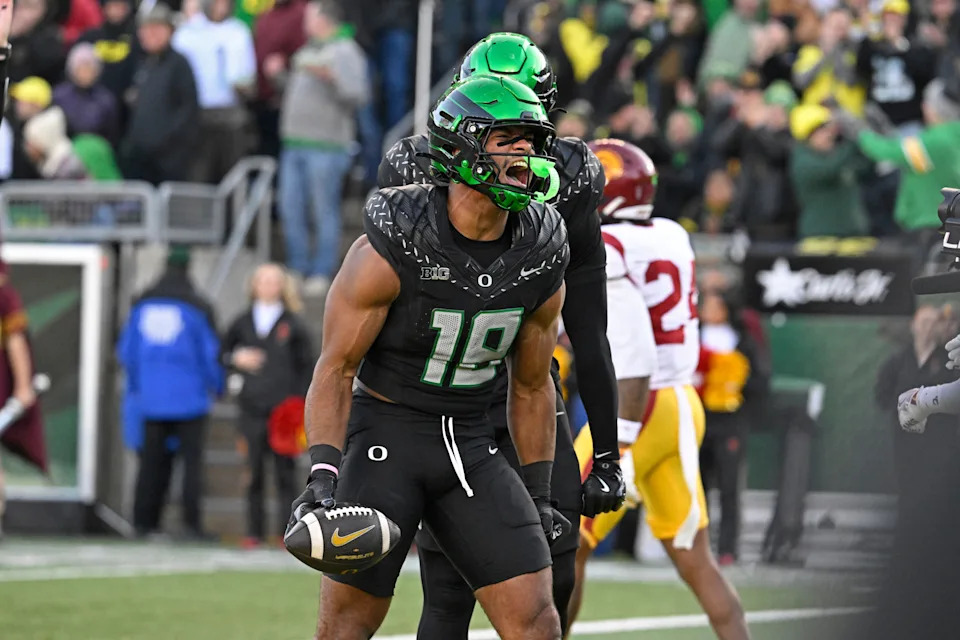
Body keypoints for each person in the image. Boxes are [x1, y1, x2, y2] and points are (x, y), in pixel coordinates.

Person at [291, 74, 572, 640]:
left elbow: (533, 386)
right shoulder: (394, 241)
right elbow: (337, 368)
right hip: (386, 439)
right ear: (462, 146)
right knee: (346, 626)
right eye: (507, 139)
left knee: (538, 621)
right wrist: (323, 472)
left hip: (472, 442)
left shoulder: (541, 245)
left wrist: (539, 494)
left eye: (529, 140)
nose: (525, 153)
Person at [376, 32, 626, 638]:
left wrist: (610, 450)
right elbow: (376, 310)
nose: (517, 145)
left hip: (531, 387)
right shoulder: (414, 173)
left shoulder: (570, 182)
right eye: (498, 128)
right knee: (446, 593)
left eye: (527, 126)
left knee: (556, 575)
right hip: (445, 395)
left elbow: (589, 327)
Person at [569, 139, 750, 640]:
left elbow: (635, 351)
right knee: (696, 559)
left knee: (564, 539)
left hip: (638, 404)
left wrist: (620, 443)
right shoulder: (671, 233)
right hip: (681, 402)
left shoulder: (609, 246)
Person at [117, 247, 223, 539]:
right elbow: (209, 354)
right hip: (190, 399)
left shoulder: (141, 306)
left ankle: (143, 522)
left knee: (150, 464)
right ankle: (191, 524)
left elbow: (126, 353)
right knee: (191, 466)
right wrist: (218, 386)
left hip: (150, 400)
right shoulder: (197, 308)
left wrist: (140, 388)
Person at [278, 0, 369, 297]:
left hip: (327, 146)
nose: (305, 21)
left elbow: (359, 94)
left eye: (309, 17)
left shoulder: (346, 50)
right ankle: (297, 266)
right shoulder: (309, 49)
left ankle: (321, 270)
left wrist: (331, 77)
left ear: (323, 20)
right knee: (290, 207)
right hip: (294, 143)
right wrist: (277, 76)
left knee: (322, 209)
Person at [222, 263, 313, 549]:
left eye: (274, 281)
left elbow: (306, 366)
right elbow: (222, 353)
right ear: (254, 285)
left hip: (283, 411)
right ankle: (254, 531)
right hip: (251, 408)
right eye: (263, 281)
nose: (268, 286)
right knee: (253, 472)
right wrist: (236, 359)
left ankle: (287, 531)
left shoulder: (294, 324)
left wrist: (298, 405)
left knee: (285, 473)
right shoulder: (241, 321)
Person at [120, 4, 199, 184]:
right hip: (140, 158)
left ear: (169, 31)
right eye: (146, 29)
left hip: (169, 161)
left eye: (156, 28)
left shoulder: (179, 64)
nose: (150, 34)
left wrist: (166, 143)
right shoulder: (142, 64)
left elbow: (187, 111)